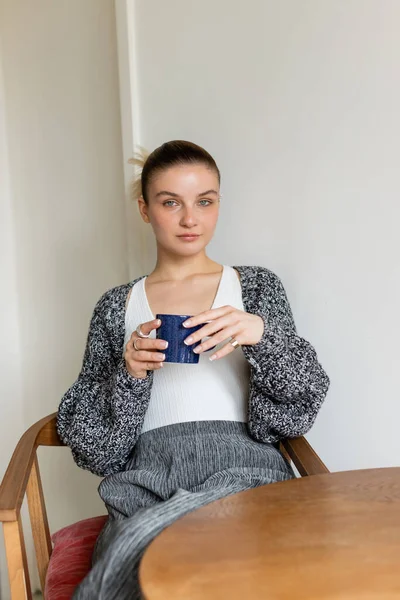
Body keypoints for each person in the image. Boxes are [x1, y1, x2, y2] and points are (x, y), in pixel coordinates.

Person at [57, 140, 330, 599]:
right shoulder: (115, 306)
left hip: (245, 473)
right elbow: (95, 451)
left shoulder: (255, 287)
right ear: (145, 210)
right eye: (171, 203)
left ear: (218, 203)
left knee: (237, 564)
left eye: (205, 201)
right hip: (144, 486)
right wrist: (130, 374)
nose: (190, 219)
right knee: (148, 574)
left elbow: (299, 408)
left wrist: (260, 334)